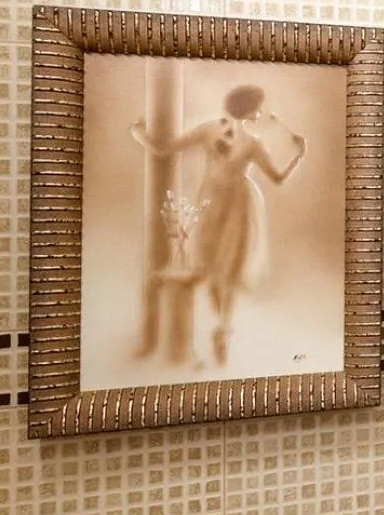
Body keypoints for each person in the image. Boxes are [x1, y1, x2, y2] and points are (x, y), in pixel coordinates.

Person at [130, 84, 306, 365]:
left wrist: (138, 133)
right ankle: (219, 328)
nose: (260, 112)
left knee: (224, 267)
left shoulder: (219, 132)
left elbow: (165, 149)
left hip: (232, 206)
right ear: (248, 110)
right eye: (256, 107)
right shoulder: (248, 141)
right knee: (216, 268)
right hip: (219, 205)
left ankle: (221, 329)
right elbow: (279, 178)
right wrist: (299, 155)